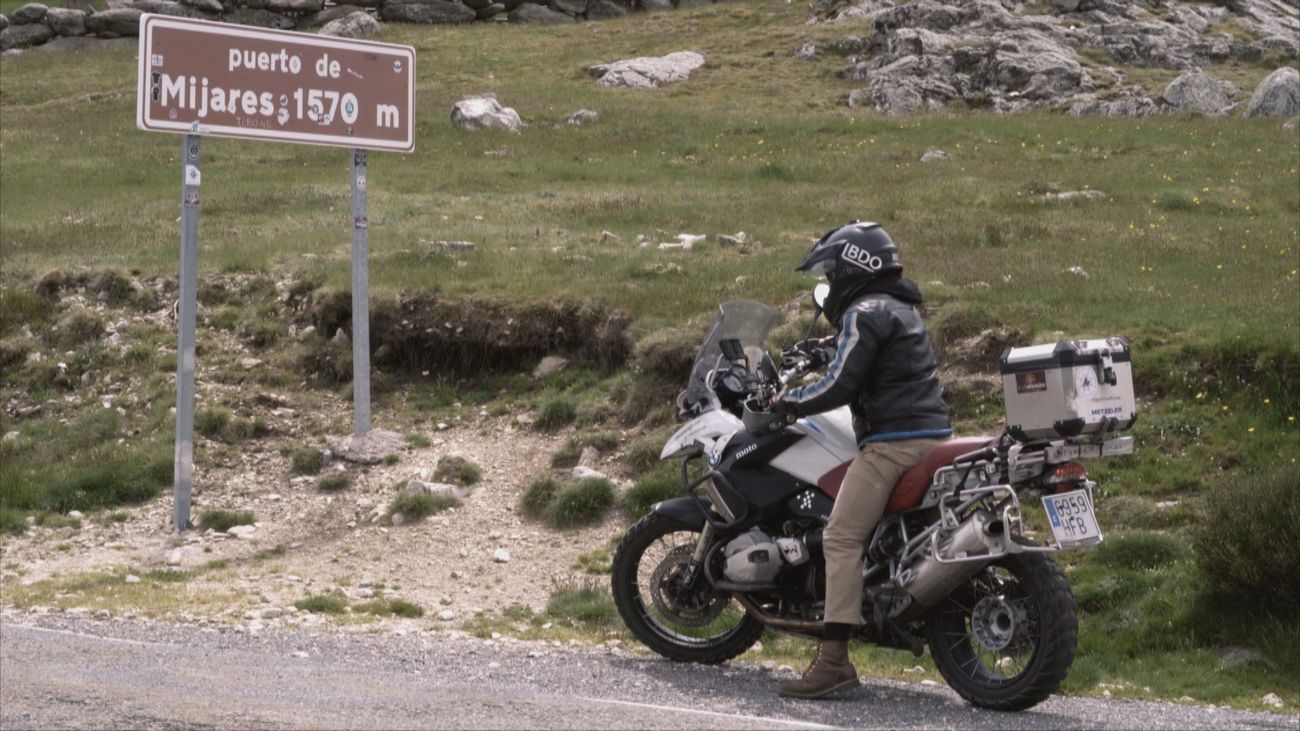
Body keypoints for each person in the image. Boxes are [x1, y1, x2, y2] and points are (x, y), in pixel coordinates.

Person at [772, 221, 952, 700]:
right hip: (932, 436)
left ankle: (833, 662)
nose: (830, 282)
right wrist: (827, 347)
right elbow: (871, 355)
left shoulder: (864, 312)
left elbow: (840, 386)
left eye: (833, 271)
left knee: (841, 535)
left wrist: (788, 404)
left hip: (892, 444)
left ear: (856, 267)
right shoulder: (898, 307)